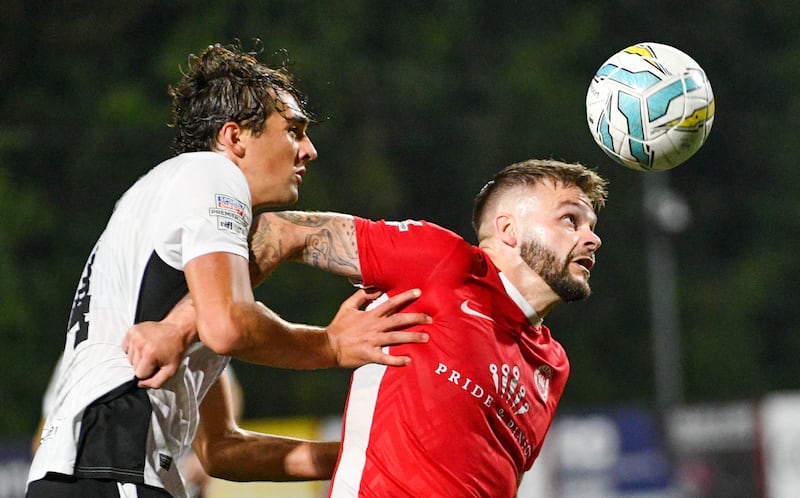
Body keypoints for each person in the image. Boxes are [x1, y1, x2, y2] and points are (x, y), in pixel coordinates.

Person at [27, 42, 429, 498]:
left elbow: (221, 449)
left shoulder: (180, 234)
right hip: (112, 460)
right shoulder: (213, 177)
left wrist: (357, 455)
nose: (310, 150)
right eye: (294, 131)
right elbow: (228, 325)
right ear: (234, 137)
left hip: (92, 466)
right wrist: (331, 345)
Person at [127, 159, 609, 497]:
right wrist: (176, 327)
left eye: (590, 225)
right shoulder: (444, 263)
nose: (592, 237)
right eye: (571, 219)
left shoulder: (552, 364)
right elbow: (282, 231)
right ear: (508, 229)